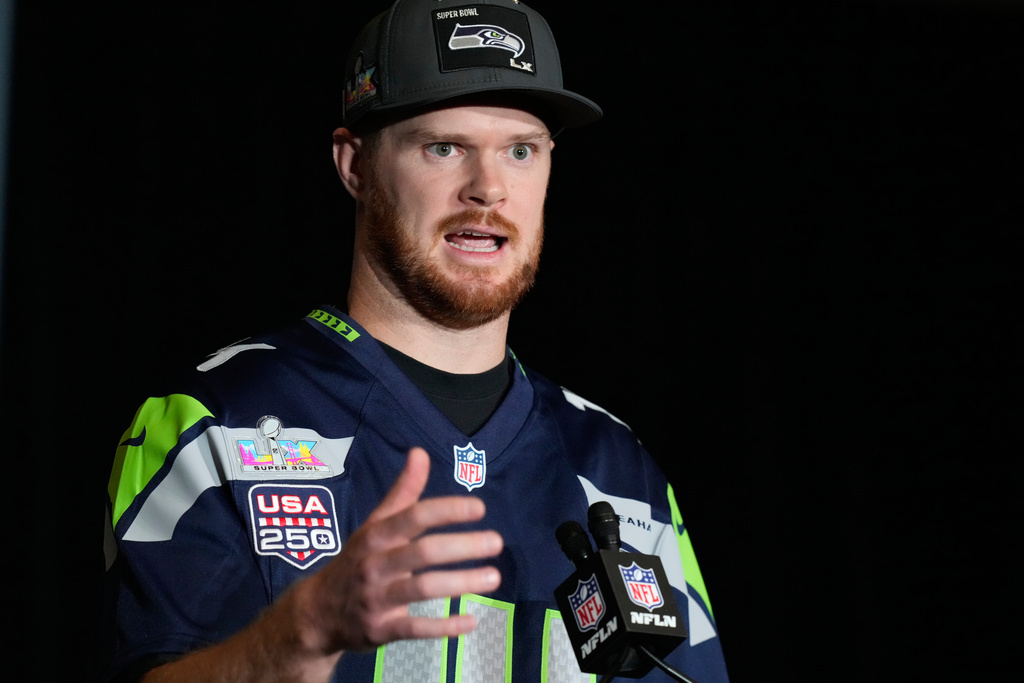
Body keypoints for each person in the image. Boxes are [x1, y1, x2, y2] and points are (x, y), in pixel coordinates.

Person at [100, 1, 730, 681]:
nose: (488, 189)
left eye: (520, 150)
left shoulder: (620, 471)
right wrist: (301, 633)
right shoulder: (210, 423)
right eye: (443, 147)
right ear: (355, 166)